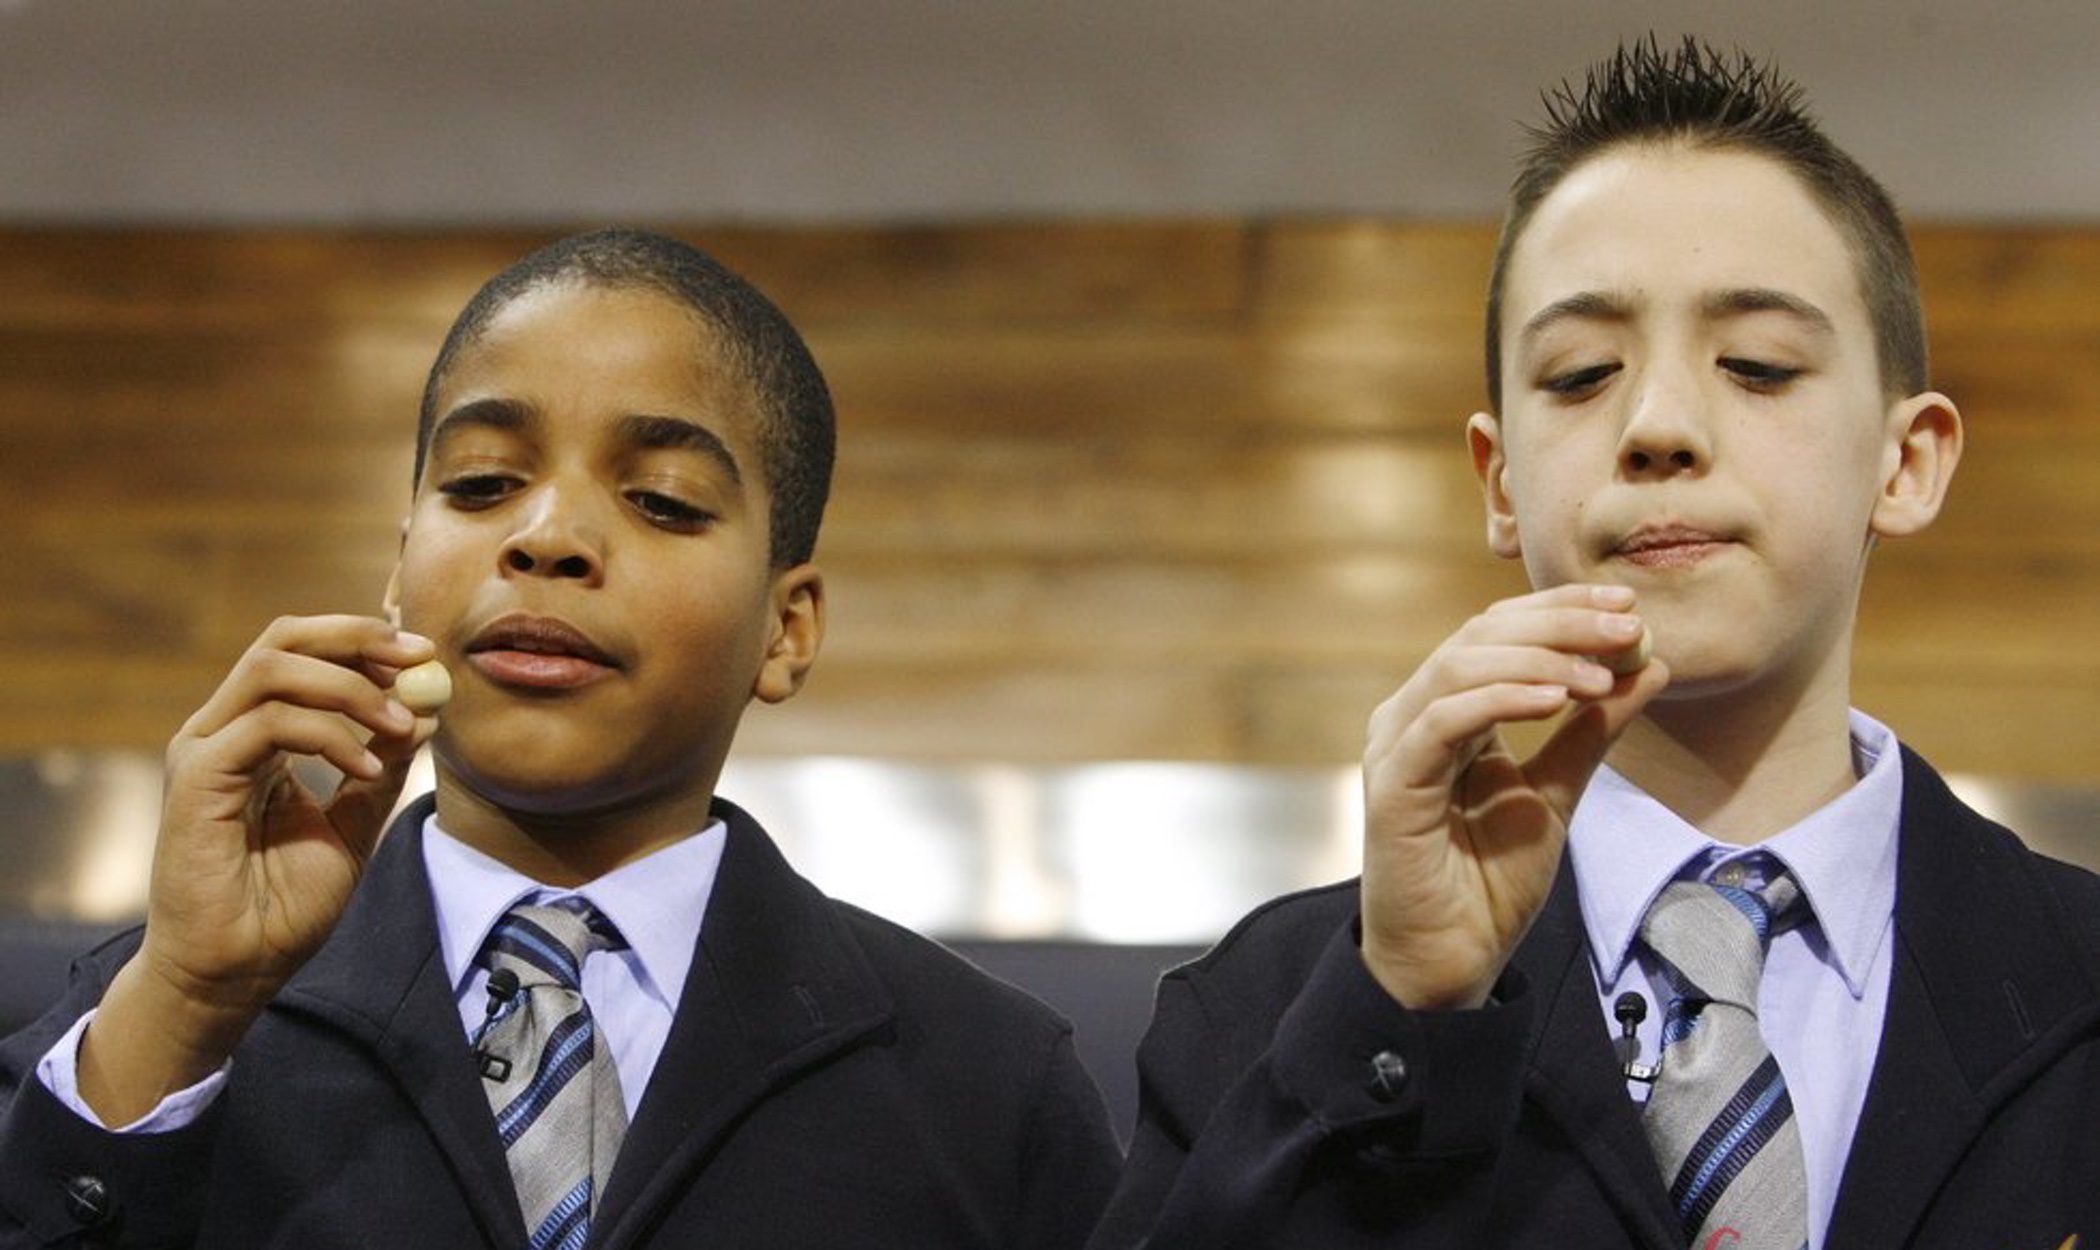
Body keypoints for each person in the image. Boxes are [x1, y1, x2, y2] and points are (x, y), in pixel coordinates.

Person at [1086, 36, 2100, 1250]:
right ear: (1499, 480)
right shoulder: (1270, 1007)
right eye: (1579, 376)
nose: (1659, 425)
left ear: (1908, 458)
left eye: (1758, 364)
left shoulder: (2079, 982)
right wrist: (1397, 1010)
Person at [0, 228, 1119, 1249]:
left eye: (665, 501)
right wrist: (189, 1004)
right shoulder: (143, 1018)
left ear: (786, 627)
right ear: (400, 577)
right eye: (483, 483)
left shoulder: (988, 1080)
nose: (547, 537)